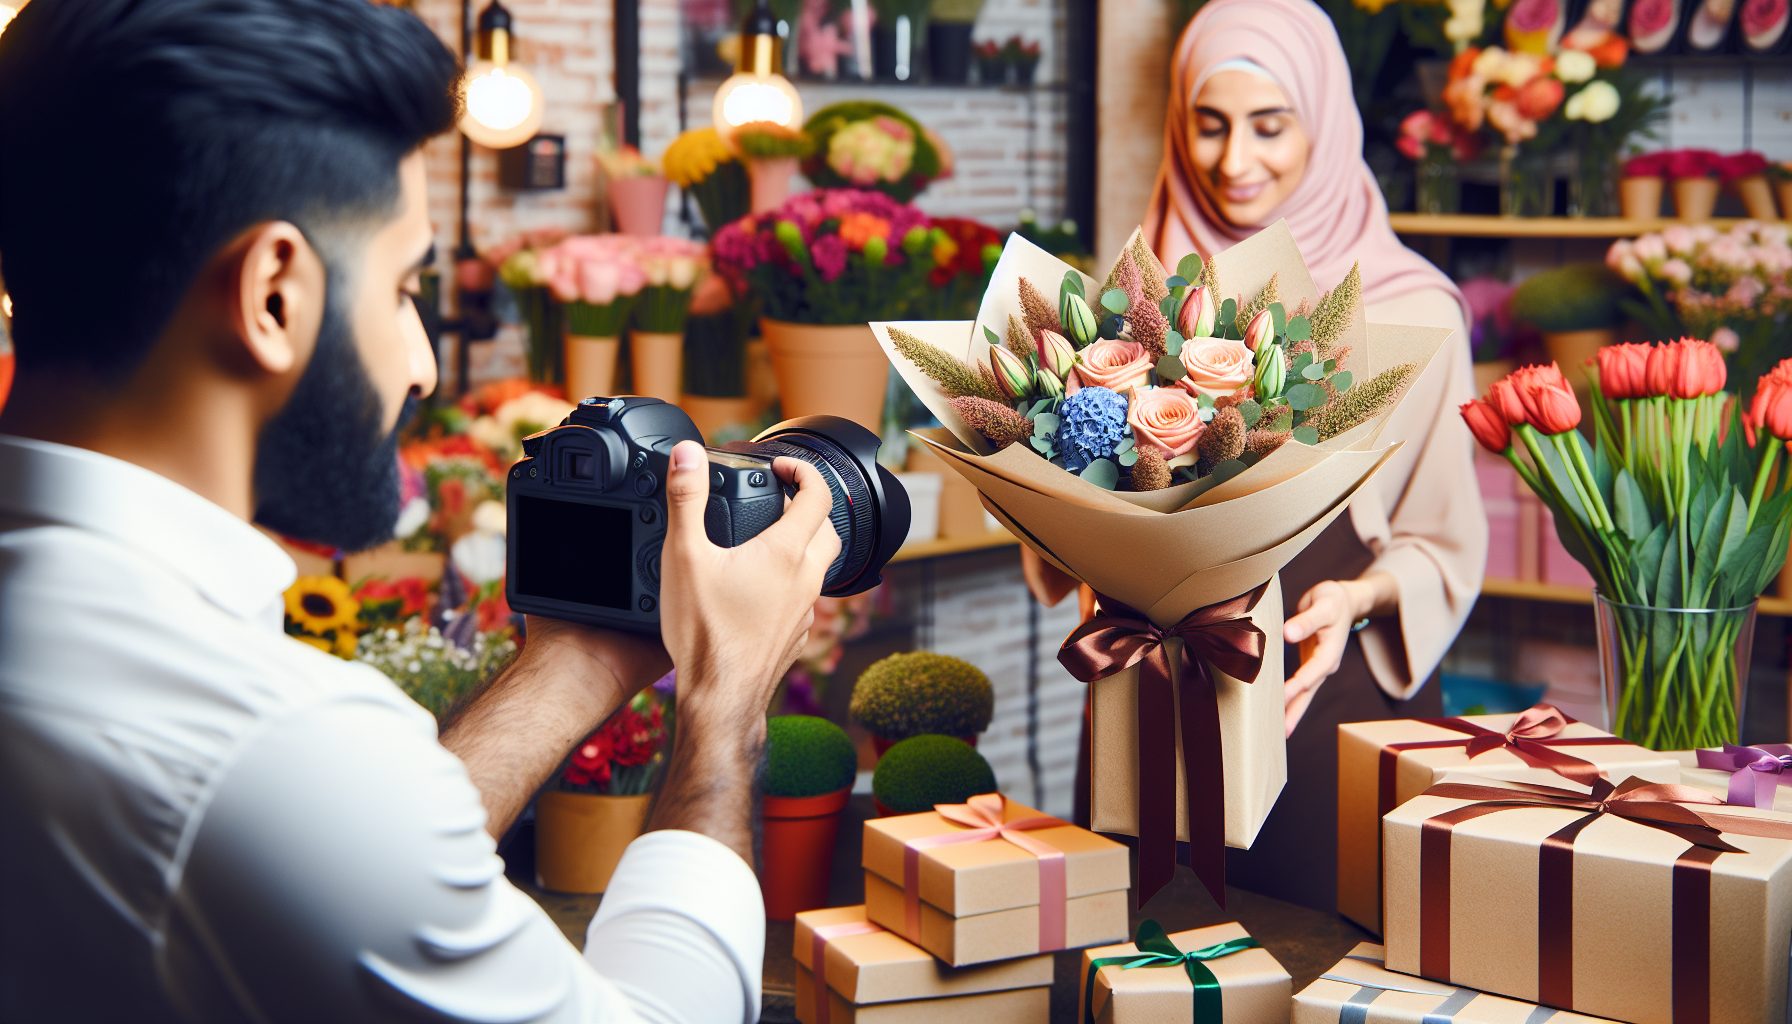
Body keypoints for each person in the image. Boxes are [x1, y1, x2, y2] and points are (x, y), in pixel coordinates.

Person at [0, 2, 839, 1021]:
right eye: (402, 289)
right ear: (274, 294)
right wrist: (725, 703)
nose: (422, 363)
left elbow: (345, 848)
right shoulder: (265, 743)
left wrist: (570, 664)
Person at [1034, 0, 1488, 911]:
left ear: (1323, 123)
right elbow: (1064, 517)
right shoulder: (1131, 309)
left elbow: (1439, 539)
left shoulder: (1415, 312)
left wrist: (1357, 600)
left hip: (1325, 695)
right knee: (1137, 965)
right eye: (1208, 125)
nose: (1233, 162)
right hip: (1149, 692)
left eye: (1269, 126)